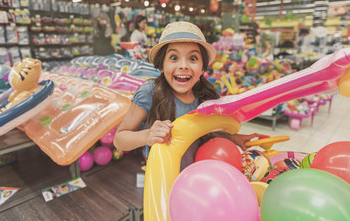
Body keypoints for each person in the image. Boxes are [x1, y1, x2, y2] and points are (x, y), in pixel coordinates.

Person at [114, 21, 266, 170]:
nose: (183, 65)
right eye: (174, 57)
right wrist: (147, 135)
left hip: (196, 179)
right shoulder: (150, 91)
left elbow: (203, 134)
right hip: (163, 181)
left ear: (202, 68)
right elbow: (119, 139)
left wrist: (231, 138)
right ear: (161, 65)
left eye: (193, 58)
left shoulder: (205, 96)